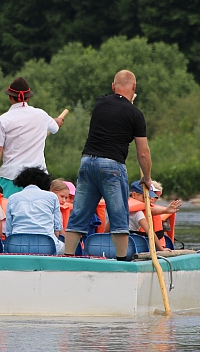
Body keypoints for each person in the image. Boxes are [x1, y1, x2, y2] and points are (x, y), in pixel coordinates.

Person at [64, 70, 152, 260]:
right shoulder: (136, 114)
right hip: (112, 166)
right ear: (134, 87)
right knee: (119, 217)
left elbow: (116, 109)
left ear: (113, 87)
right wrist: (147, 177)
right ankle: (121, 261)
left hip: (87, 162)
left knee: (78, 215)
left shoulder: (100, 103)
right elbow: (143, 152)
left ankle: (68, 257)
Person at [0, 77, 65, 198]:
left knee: (7, 213)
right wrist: (56, 121)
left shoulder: (3, 120)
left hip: (11, 176)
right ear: (28, 98)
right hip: (39, 178)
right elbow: (55, 128)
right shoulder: (41, 115)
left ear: (10, 97)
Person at [6, 167, 63, 251]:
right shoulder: (52, 197)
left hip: (18, 246)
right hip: (47, 246)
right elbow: (57, 230)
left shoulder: (12, 198)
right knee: (70, 249)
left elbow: (9, 231)